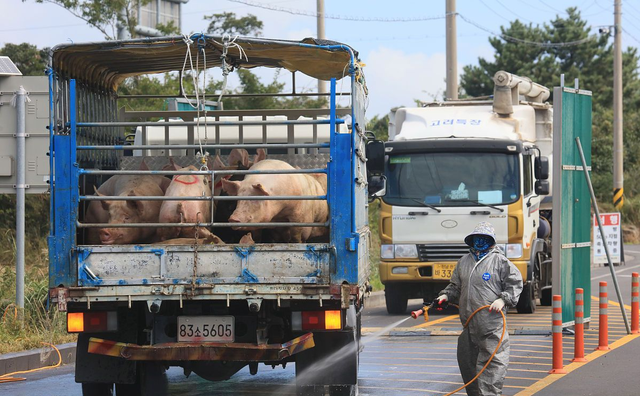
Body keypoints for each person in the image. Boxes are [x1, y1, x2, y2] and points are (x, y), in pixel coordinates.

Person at [436, 222, 523, 396]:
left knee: (492, 367)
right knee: (469, 366)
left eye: (484, 239)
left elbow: (515, 283)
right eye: (477, 238)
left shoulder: (499, 261)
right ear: (472, 240)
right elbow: (455, 286)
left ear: (491, 241)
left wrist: (503, 299)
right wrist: (445, 296)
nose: (480, 242)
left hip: (492, 326)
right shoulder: (464, 262)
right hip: (469, 326)